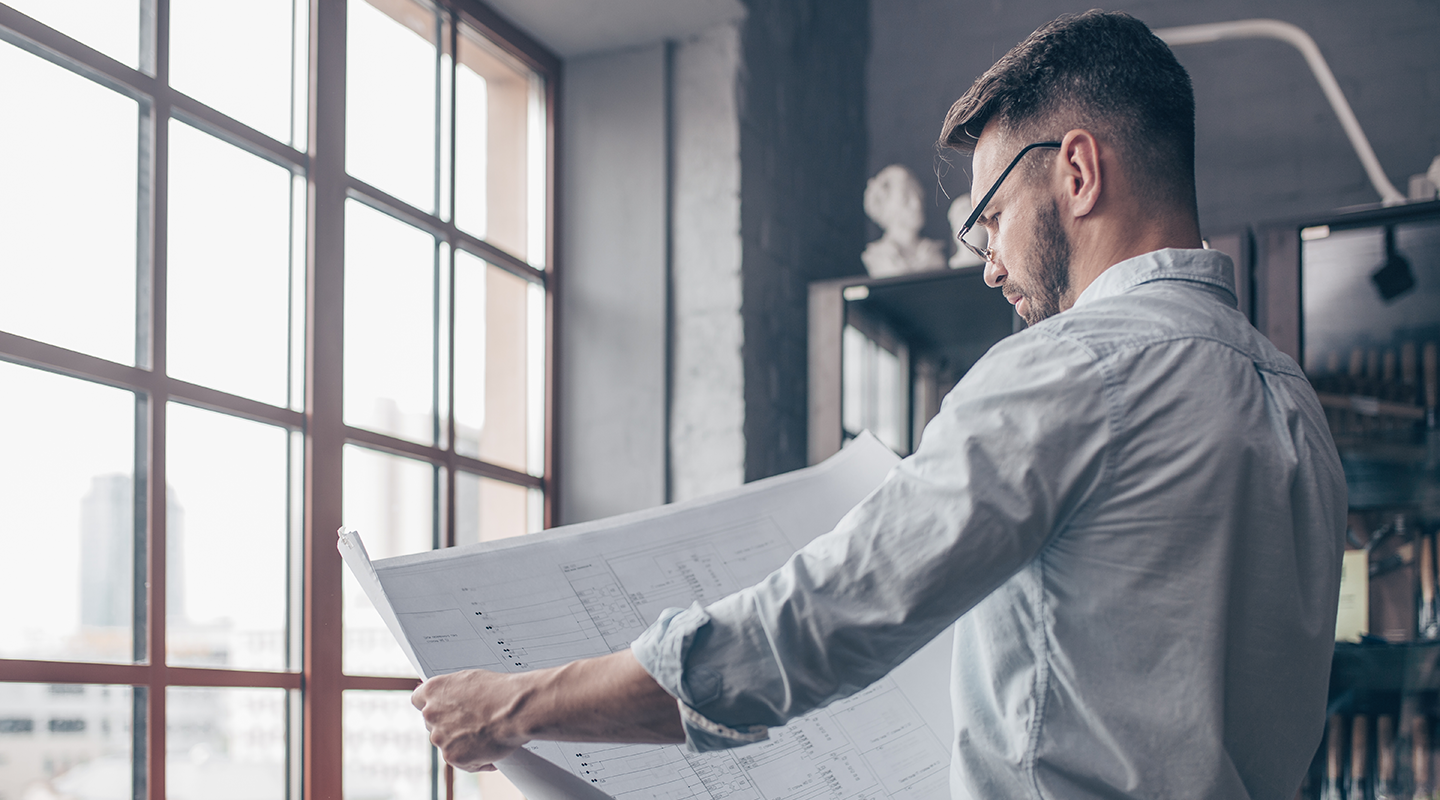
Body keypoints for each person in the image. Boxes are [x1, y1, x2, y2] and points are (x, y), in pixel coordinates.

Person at [412, 11, 1346, 798]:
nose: (987, 261)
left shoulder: (1066, 373)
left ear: (1077, 171)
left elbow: (807, 626)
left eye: (988, 217)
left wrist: (514, 705)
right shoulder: (1294, 401)